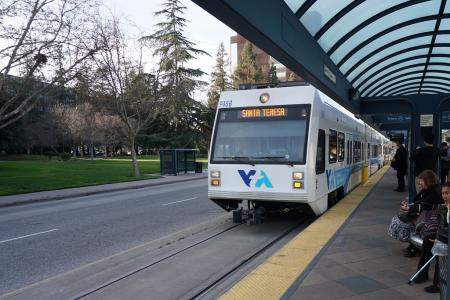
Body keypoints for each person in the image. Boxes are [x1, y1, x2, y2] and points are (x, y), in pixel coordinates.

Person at [408, 171, 443, 283]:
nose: (420, 184)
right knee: (428, 249)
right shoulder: (432, 189)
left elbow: (424, 205)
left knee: (428, 249)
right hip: (435, 224)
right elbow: (418, 201)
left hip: (435, 225)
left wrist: (410, 208)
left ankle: (426, 277)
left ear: (427, 180)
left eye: (421, 181)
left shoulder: (433, 192)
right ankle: (426, 276)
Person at [424, 182, 450, 295]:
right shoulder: (446, 207)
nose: (444, 196)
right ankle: (439, 284)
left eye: (447, 193)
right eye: (443, 193)